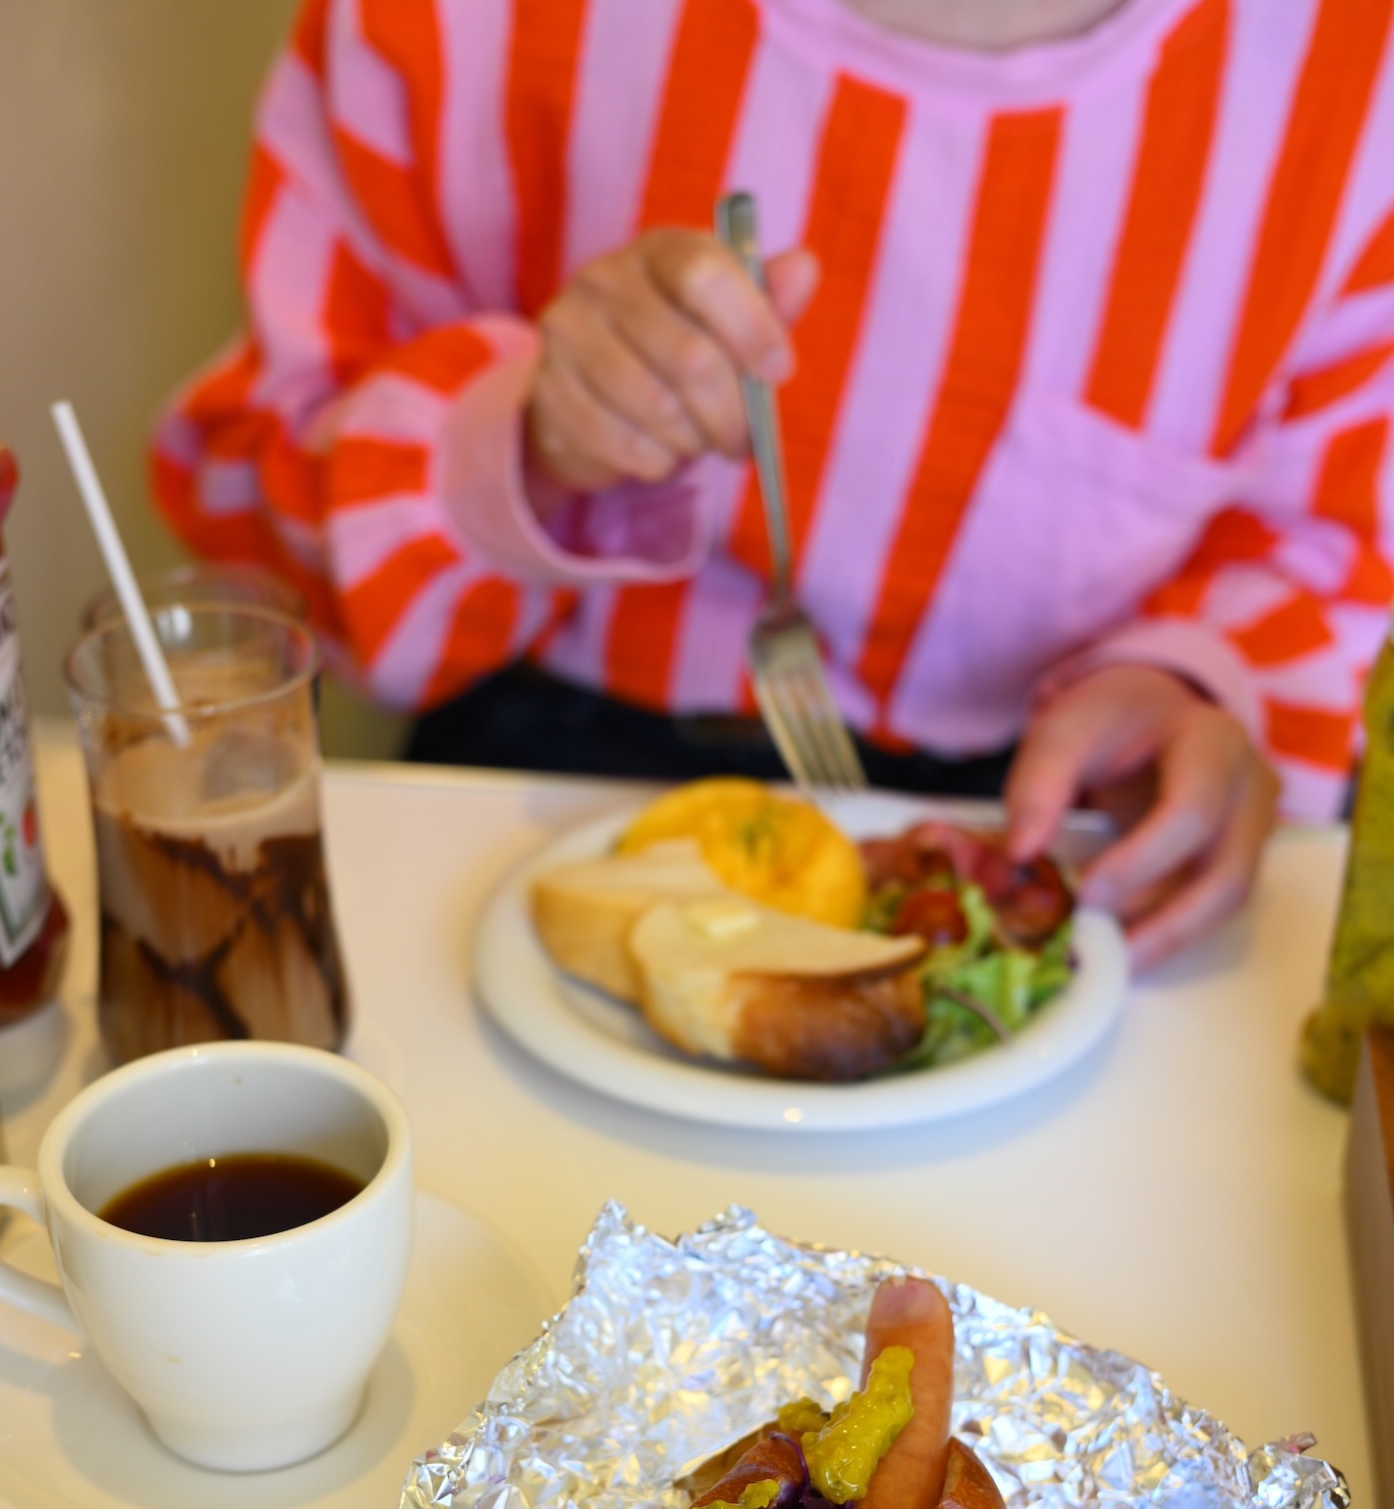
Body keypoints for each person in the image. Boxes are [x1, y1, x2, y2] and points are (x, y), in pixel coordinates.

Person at [151, 0, 1394, 966]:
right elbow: (256, 519)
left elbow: (1326, 543)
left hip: (1046, 828)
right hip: (544, 762)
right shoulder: (461, 28)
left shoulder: (1349, 88)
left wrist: (1191, 688)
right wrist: (521, 441)